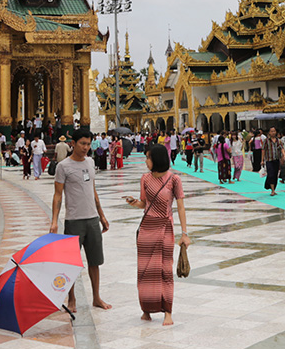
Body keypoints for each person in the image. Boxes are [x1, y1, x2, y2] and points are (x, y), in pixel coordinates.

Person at [124, 145, 190, 326]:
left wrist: (184, 234)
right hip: (147, 229)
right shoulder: (145, 178)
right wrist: (134, 202)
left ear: (158, 159)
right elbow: (144, 204)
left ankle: (168, 311)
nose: (146, 161)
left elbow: (181, 207)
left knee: (164, 270)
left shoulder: (174, 180)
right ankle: (146, 309)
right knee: (145, 271)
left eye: (148, 157)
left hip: (164, 228)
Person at [51, 129, 112, 312]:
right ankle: (72, 299)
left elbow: (92, 190)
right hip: (74, 220)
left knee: (95, 261)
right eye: (82, 144)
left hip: (92, 219)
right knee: (70, 263)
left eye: (88, 144)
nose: (86, 148)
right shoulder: (64, 166)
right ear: (73, 143)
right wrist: (54, 220)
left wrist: (101, 215)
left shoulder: (91, 162)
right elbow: (58, 195)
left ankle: (96, 297)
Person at [262, 127, 285, 196]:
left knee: (275, 175)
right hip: (269, 160)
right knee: (271, 174)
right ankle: (272, 190)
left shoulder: (279, 141)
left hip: (276, 160)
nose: (273, 132)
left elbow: (282, 148)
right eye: (271, 131)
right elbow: (263, 150)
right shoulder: (266, 140)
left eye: (274, 131)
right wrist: (262, 160)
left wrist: (284, 155)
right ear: (269, 132)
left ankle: (272, 187)